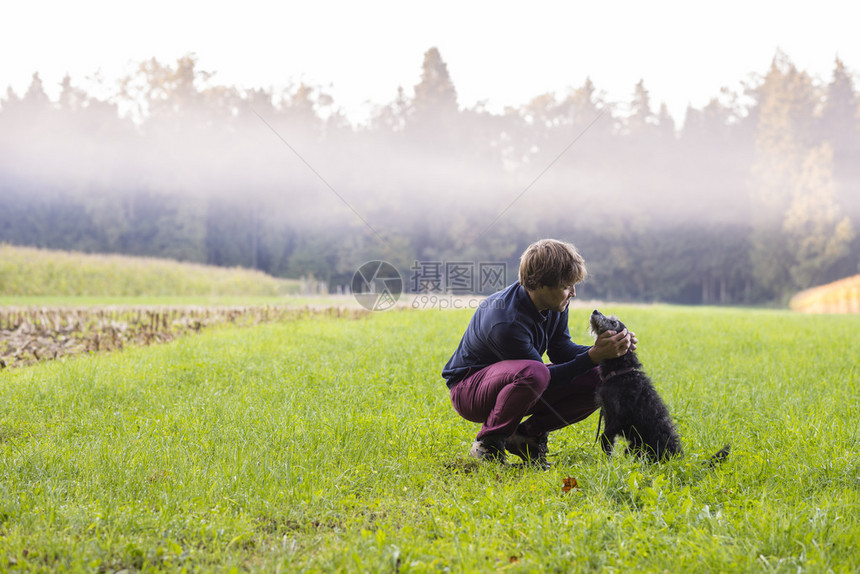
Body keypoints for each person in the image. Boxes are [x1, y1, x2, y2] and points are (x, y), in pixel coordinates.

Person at [441, 239, 636, 468]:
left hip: (516, 381)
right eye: (566, 286)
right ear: (541, 285)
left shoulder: (554, 304)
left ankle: (527, 436)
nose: (573, 292)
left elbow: (562, 350)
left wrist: (610, 351)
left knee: (600, 375)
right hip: (469, 390)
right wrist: (595, 354)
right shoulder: (505, 321)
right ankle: (488, 444)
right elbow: (544, 378)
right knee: (535, 373)